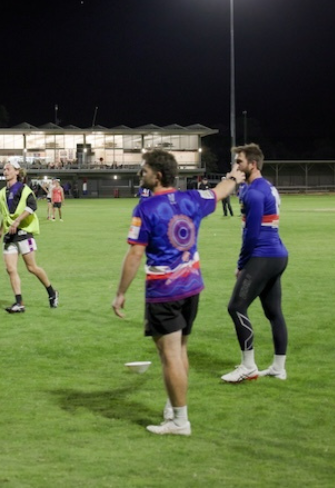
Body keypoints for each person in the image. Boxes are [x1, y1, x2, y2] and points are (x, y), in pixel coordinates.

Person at [112, 149, 243, 436]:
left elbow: (135, 253)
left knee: (169, 354)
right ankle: (174, 406)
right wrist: (235, 175)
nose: (140, 174)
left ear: (157, 175)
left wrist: (121, 292)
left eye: (143, 170)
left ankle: (180, 421)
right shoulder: (191, 199)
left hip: (164, 292)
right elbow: (219, 192)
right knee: (180, 349)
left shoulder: (145, 209)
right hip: (192, 287)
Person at [220, 143, 290, 383]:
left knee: (235, 307)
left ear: (252, 164)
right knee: (274, 313)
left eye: (239, 162)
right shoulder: (267, 187)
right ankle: (278, 368)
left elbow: (251, 233)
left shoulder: (251, 191)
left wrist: (241, 264)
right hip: (277, 255)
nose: (235, 166)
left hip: (263, 255)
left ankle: (248, 366)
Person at [0, 160, 59, 313]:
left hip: (24, 233)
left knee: (31, 268)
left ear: (17, 172)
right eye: (4, 169)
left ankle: (52, 292)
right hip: (10, 236)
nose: (5, 171)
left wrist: (17, 221)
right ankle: (19, 303)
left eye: (8, 169)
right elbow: (4, 214)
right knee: (10, 269)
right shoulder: (2, 193)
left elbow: (32, 207)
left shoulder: (24, 190)